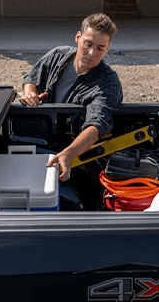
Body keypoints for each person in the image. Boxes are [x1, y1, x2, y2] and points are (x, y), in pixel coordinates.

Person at [21, 13, 123, 182]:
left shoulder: (108, 82)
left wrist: (69, 154)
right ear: (78, 37)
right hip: (42, 139)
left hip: (76, 154)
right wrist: (29, 93)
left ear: (108, 47)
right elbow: (31, 78)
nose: (92, 53)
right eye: (88, 44)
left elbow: (97, 125)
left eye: (100, 48)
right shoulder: (58, 55)